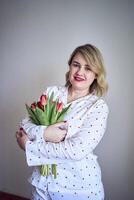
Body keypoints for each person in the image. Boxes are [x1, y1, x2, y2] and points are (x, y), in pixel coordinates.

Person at [16, 44, 109, 200]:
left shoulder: (97, 107)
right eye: (76, 65)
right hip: (42, 184)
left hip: (78, 188)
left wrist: (29, 146)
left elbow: (76, 151)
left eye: (88, 68)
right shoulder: (52, 92)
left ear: (96, 74)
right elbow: (25, 124)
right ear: (70, 67)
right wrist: (46, 133)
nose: (80, 72)